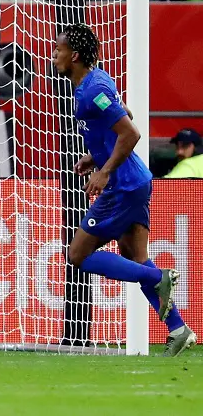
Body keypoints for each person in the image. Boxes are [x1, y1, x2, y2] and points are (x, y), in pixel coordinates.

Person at [55, 23, 194, 357]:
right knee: (134, 256)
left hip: (123, 185)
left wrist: (104, 171)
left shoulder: (91, 90)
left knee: (78, 255)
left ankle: (158, 276)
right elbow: (122, 115)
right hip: (135, 182)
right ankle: (178, 329)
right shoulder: (93, 83)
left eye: (59, 50)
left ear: (74, 56)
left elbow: (130, 132)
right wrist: (96, 154)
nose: (54, 55)